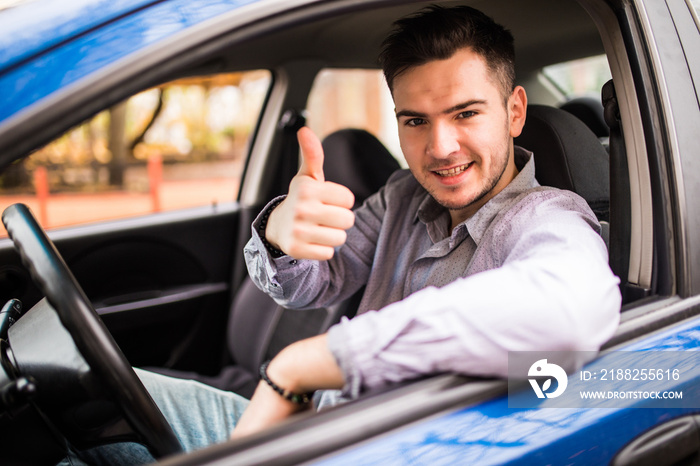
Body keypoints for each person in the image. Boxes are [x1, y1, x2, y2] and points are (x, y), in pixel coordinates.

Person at [65, 5, 620, 464]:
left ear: (514, 111)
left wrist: (307, 364)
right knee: (73, 404)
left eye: (466, 113)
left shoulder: (547, 218)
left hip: (373, 447)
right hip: (314, 424)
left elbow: (569, 310)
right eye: (415, 120)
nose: (442, 147)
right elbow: (312, 284)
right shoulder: (405, 195)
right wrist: (282, 235)